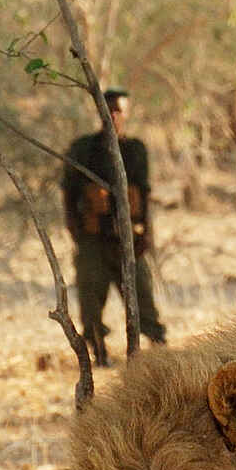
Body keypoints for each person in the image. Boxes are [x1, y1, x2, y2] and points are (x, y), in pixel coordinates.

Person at [61, 88, 167, 365]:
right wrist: (76, 230)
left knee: (143, 296)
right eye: (109, 109)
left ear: (126, 113)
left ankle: (160, 354)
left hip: (128, 237)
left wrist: (145, 235)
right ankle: (98, 354)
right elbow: (69, 193)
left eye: (119, 110)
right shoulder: (83, 148)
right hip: (93, 237)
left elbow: (143, 195)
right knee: (90, 301)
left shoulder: (135, 150)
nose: (113, 115)